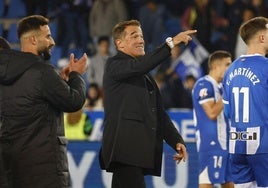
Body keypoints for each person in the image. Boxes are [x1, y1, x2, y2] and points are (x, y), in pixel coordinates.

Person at [99, 19, 196, 188]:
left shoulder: (146, 77)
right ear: (119, 43)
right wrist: (171, 43)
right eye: (134, 35)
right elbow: (142, 66)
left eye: (142, 36)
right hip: (124, 151)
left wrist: (176, 140)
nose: (141, 40)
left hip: (135, 154)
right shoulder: (114, 65)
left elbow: (158, 113)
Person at [0, 15, 88, 187]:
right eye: (47, 36)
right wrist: (76, 75)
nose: (53, 41)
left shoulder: (5, 77)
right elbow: (74, 101)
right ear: (33, 40)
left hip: (14, 170)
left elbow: (34, 104)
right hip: (45, 171)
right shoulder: (42, 72)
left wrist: (61, 83)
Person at [222, 16, 268, 188]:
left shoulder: (230, 69)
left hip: (237, 143)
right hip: (263, 144)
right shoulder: (266, 66)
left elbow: (227, 112)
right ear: (262, 38)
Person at [192, 50, 233, 188]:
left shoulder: (222, 87)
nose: (230, 67)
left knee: (229, 183)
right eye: (227, 64)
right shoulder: (203, 84)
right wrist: (228, 92)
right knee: (207, 182)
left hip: (225, 144)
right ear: (216, 66)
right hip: (210, 144)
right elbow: (211, 113)